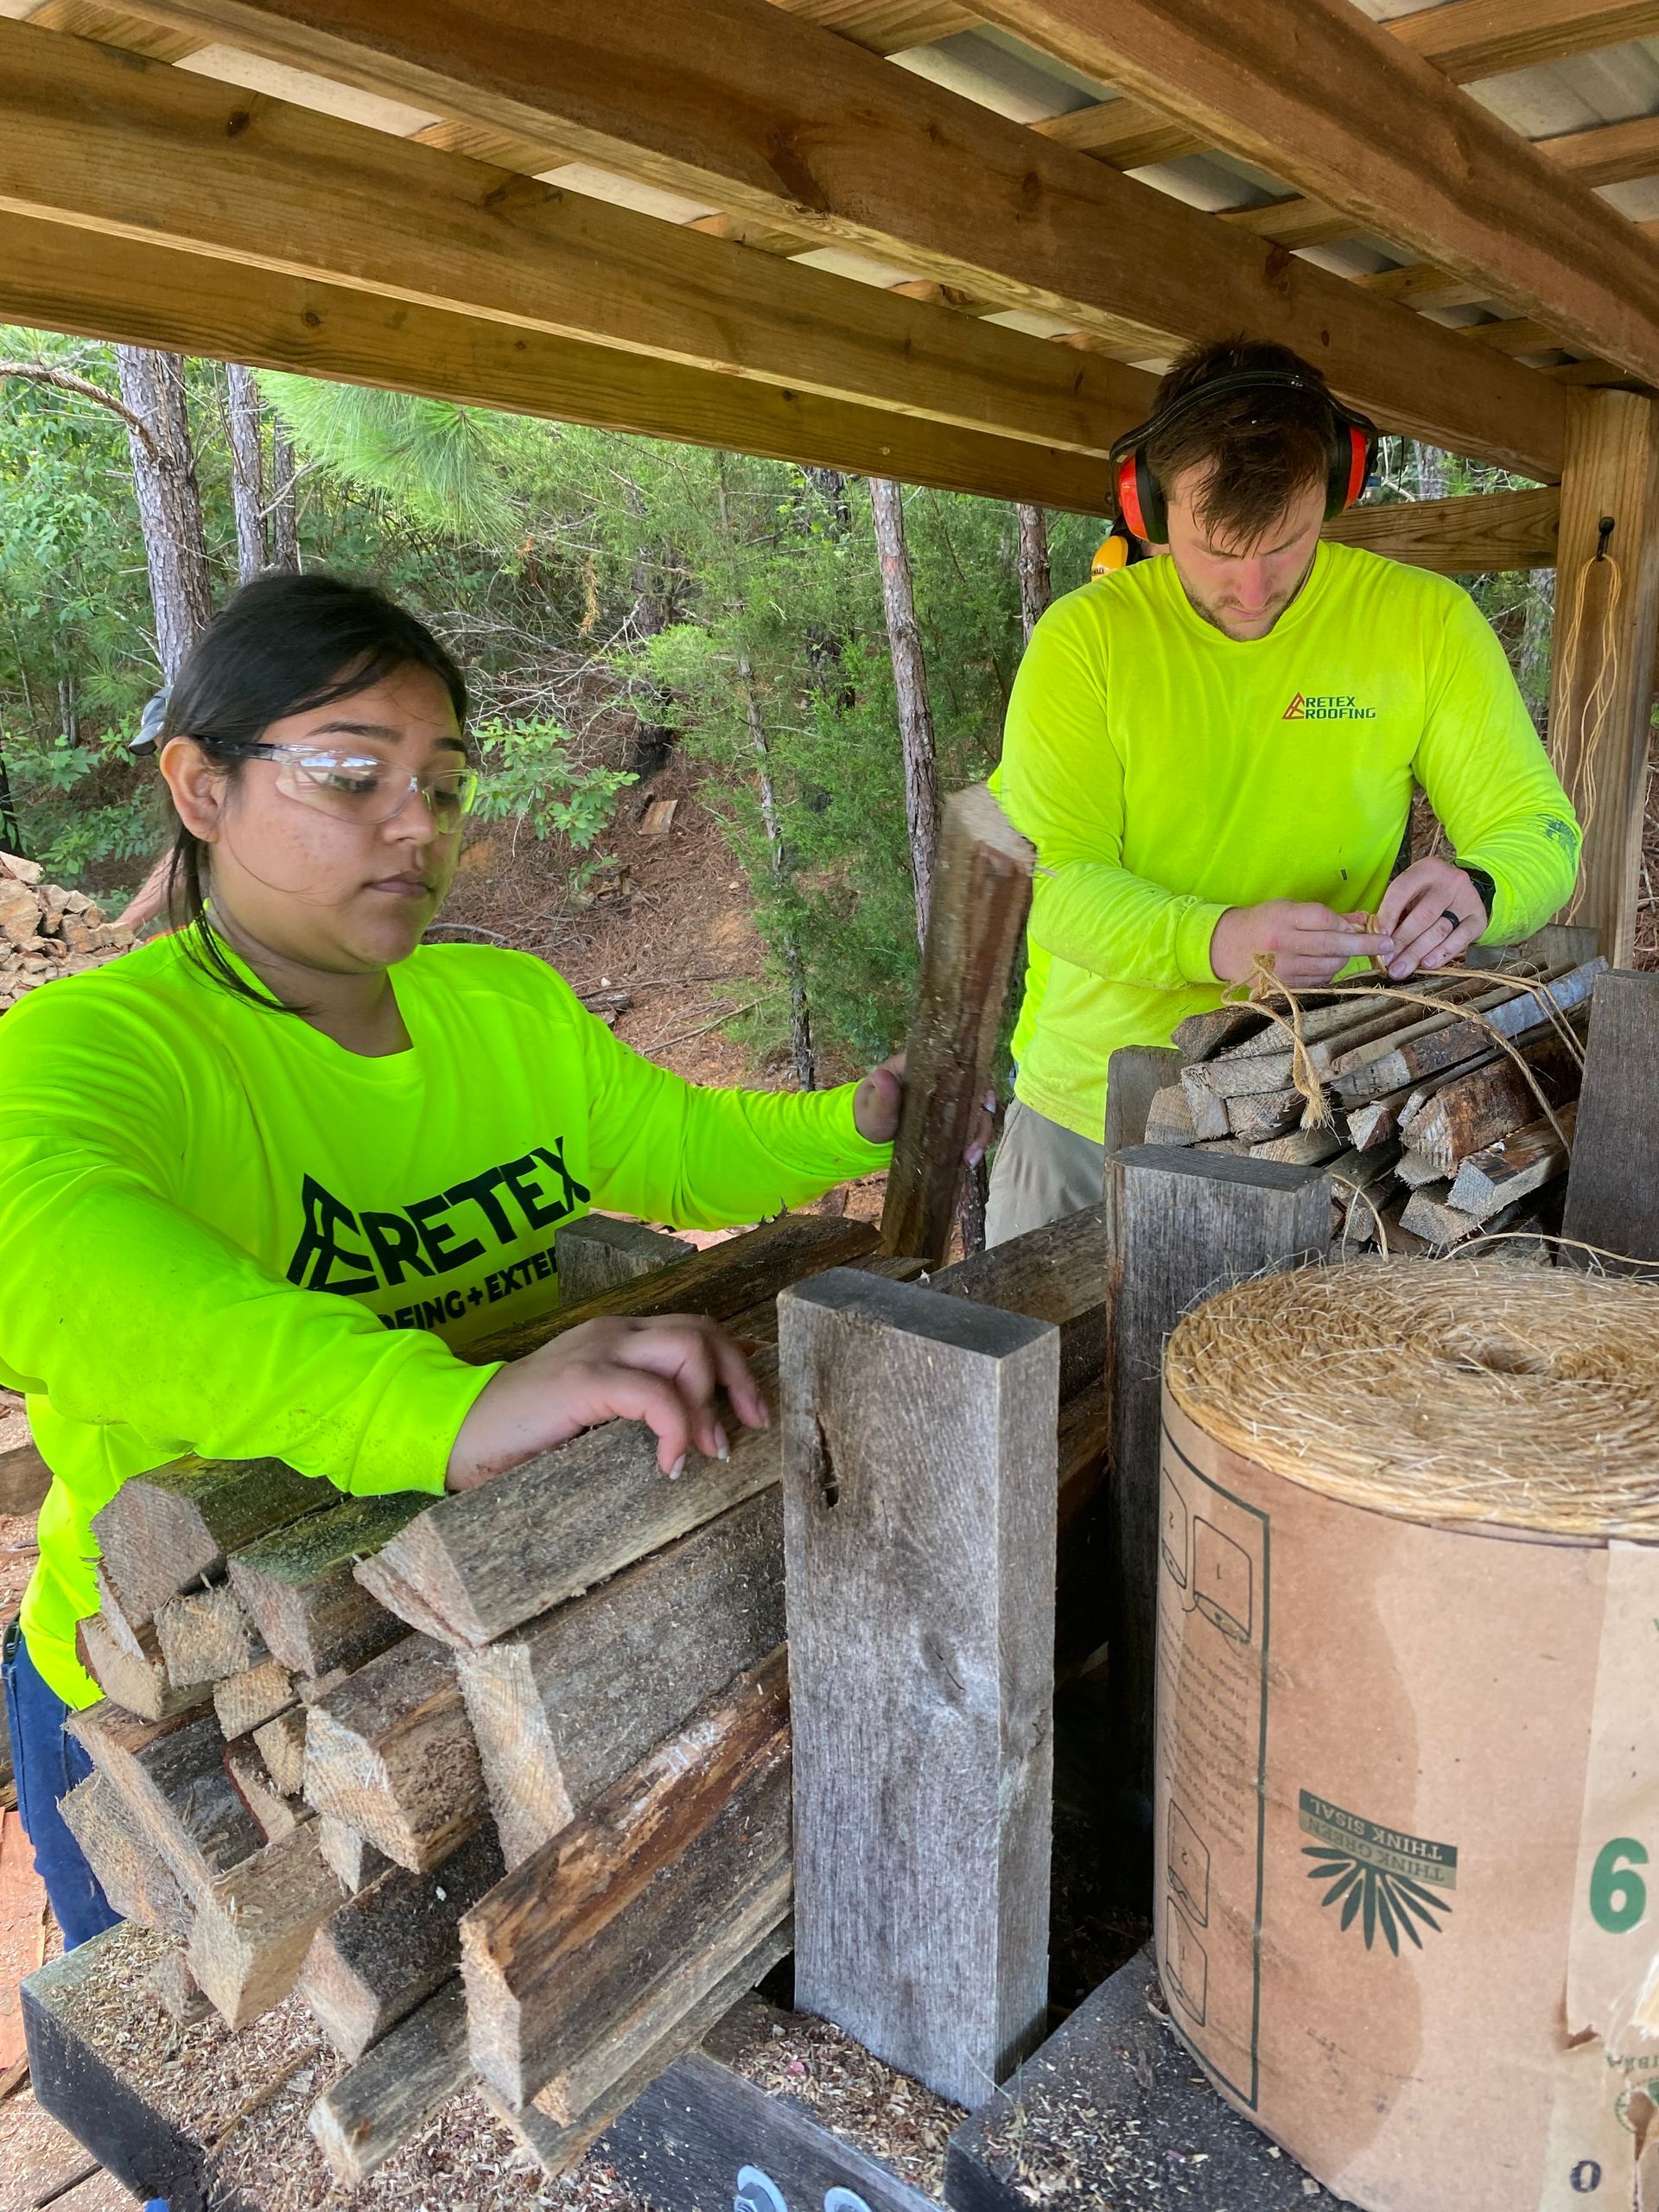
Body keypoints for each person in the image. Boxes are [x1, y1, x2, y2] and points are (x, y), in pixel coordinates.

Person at [0, 573, 915, 1942]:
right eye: (351, 775)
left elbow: (678, 1146)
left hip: (439, 1644)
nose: (417, 823)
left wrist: (864, 1118)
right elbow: (45, 1254)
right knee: (184, 2098)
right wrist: (448, 1410)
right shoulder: (103, 1048)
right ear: (200, 789)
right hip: (176, 1689)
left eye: (443, 780)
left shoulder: (503, 1007)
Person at [986, 336, 1580, 1245]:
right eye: (1217, 550)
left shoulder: (1423, 625)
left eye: (1289, 543)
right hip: (1088, 1111)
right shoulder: (1084, 646)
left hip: (1316, 1117)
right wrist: (1220, 939)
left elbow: (1540, 834)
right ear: (1147, 505)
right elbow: (1054, 883)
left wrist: (1480, 890)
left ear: (1337, 488)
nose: (1254, 589)